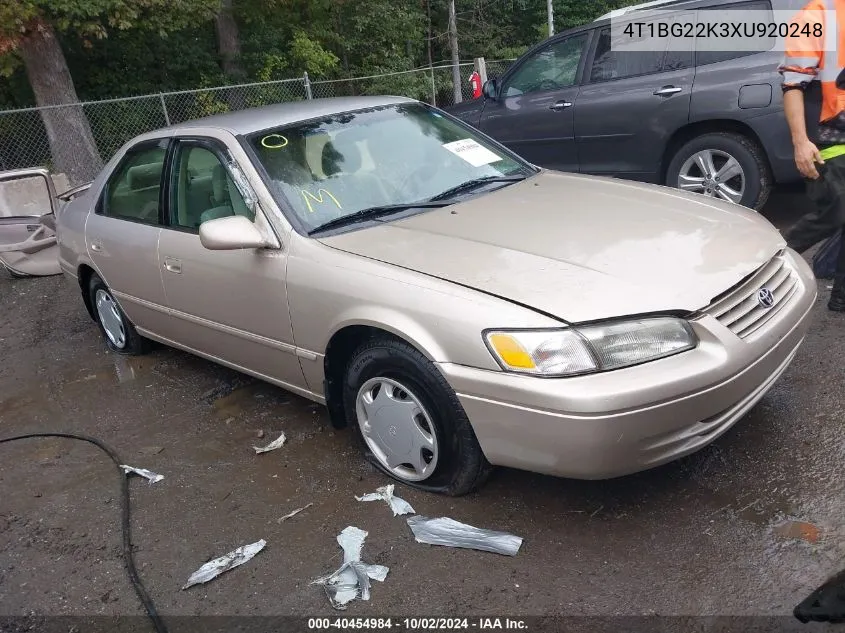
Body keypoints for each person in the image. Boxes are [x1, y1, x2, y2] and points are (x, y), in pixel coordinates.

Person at [778, 0, 845, 311]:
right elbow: (793, 84)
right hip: (829, 137)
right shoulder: (814, 16)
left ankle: (841, 297)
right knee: (834, 213)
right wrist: (800, 142)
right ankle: (764, 269)